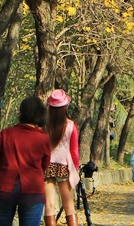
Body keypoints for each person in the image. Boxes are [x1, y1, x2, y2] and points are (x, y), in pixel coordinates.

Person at [0, 96, 51, 226]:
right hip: (32, 191)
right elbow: (45, 165)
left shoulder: (6, 134)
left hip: (4, 189)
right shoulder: (43, 139)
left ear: (21, 113)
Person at [44, 89, 80, 226]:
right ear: (65, 106)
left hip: (47, 165)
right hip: (64, 166)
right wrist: (75, 169)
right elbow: (74, 152)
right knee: (69, 205)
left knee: (49, 205)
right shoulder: (71, 125)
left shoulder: (44, 125)